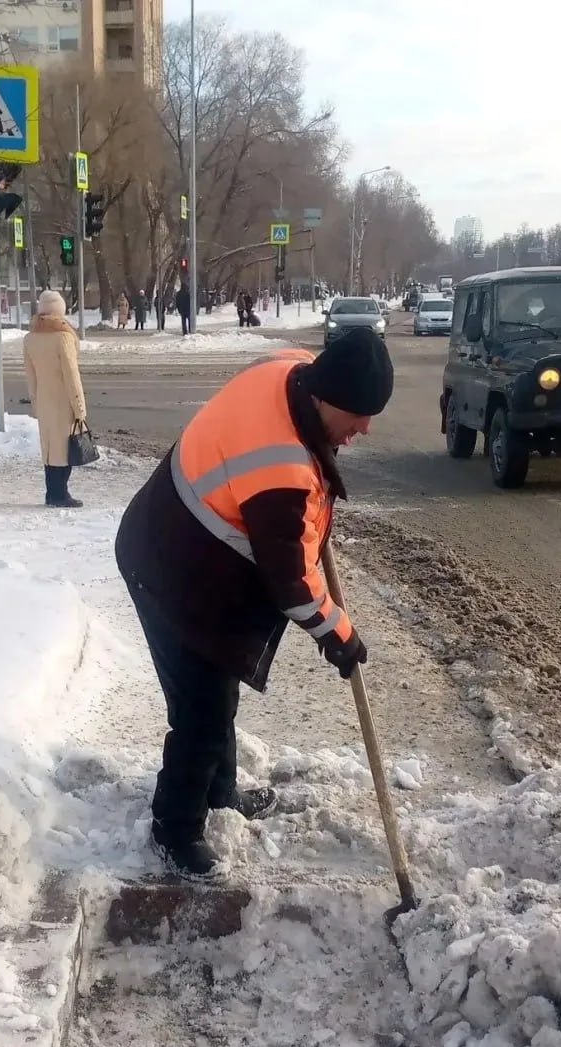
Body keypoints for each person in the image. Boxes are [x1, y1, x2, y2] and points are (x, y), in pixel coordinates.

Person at [115, 328, 395, 876]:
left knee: (217, 692)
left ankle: (219, 795)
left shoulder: (291, 368)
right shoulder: (280, 472)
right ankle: (175, 830)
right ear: (324, 396)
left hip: (183, 545)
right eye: (359, 414)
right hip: (169, 572)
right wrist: (339, 635)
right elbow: (290, 583)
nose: (365, 428)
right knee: (201, 711)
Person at [23, 290, 88, 509]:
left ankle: (51, 493)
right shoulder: (63, 337)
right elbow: (71, 375)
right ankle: (60, 494)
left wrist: (35, 402)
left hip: (44, 401)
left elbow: (30, 375)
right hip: (63, 402)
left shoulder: (30, 339)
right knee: (64, 451)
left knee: (49, 450)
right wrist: (79, 407)